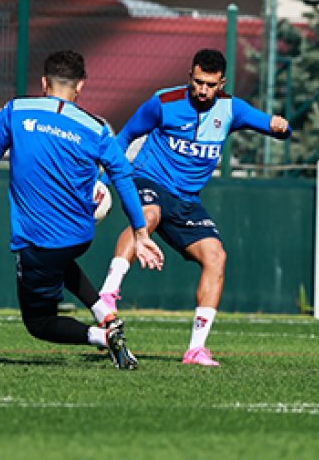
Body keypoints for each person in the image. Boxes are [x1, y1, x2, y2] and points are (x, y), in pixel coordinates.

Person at [0, 50, 164, 369]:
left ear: (44, 82)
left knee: (39, 323)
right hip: (78, 237)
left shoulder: (16, 110)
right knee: (62, 260)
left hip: (37, 242)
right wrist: (140, 233)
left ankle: (105, 338)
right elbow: (124, 178)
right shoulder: (96, 129)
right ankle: (104, 311)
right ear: (80, 87)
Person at [96, 49, 290, 366]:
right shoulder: (164, 101)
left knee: (216, 256)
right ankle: (108, 293)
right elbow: (126, 136)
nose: (202, 90)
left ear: (221, 83)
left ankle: (196, 349)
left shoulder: (231, 109)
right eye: (197, 82)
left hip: (187, 202)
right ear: (190, 76)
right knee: (149, 215)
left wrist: (282, 127)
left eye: (210, 85)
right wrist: (102, 181)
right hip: (149, 181)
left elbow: (276, 128)